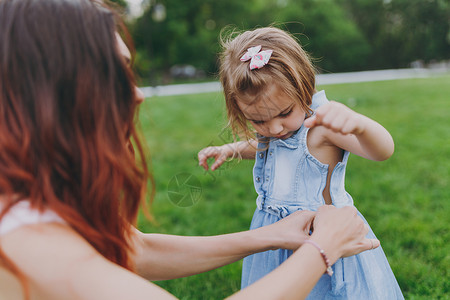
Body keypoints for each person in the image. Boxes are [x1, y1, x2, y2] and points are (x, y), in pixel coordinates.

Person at [0, 1, 379, 299]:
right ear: (49, 95)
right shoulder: (30, 243)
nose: (137, 94)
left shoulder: (30, 197)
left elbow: (136, 249)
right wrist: (323, 248)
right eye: (114, 73)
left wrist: (269, 236)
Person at [198, 27, 404, 299]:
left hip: (324, 237)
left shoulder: (322, 128)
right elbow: (267, 148)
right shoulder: (274, 132)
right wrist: (231, 149)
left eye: (284, 113)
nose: (273, 128)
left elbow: (382, 151)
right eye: (258, 120)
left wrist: (360, 126)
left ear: (304, 86)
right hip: (274, 237)